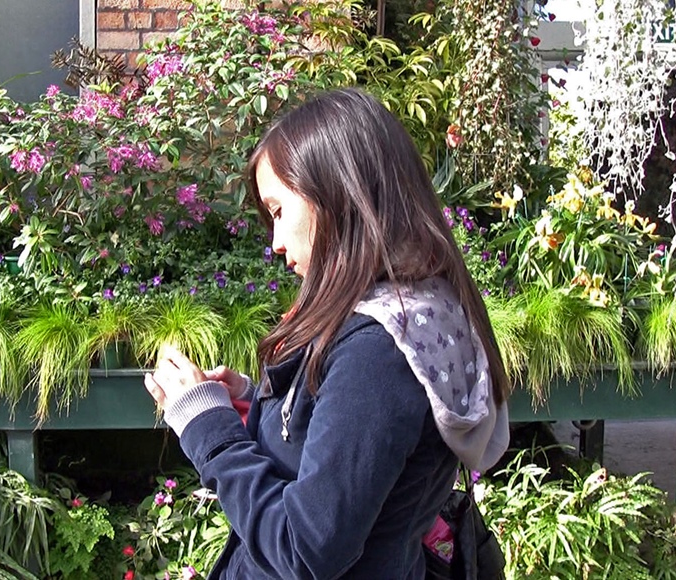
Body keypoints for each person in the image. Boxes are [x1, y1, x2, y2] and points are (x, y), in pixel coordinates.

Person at [144, 87, 510, 579]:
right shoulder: (419, 312)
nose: (274, 242)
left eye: (277, 211)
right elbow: (351, 445)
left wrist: (207, 429)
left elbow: (305, 550)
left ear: (338, 194)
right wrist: (252, 407)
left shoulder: (379, 354)